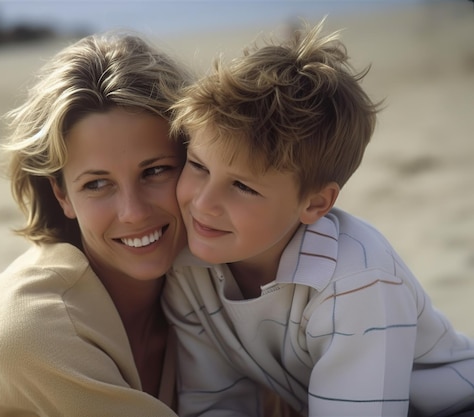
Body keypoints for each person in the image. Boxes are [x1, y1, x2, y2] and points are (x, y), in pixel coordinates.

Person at [162, 19, 474, 417]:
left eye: (243, 187)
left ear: (315, 204)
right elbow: (217, 403)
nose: (203, 204)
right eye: (198, 166)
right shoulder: (188, 269)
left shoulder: (356, 284)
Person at [0, 32, 193, 416]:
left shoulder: (205, 287)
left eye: (156, 171)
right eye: (96, 184)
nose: (132, 212)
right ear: (62, 195)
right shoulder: (33, 325)